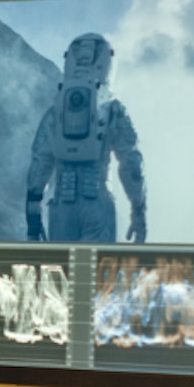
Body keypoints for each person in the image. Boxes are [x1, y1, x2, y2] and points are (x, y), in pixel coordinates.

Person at [25, 32, 147, 244]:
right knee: (96, 273)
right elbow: (132, 165)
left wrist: (33, 217)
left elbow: (39, 165)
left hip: (61, 207)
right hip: (97, 204)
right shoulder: (113, 110)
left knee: (62, 273)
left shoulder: (55, 113)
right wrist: (139, 212)